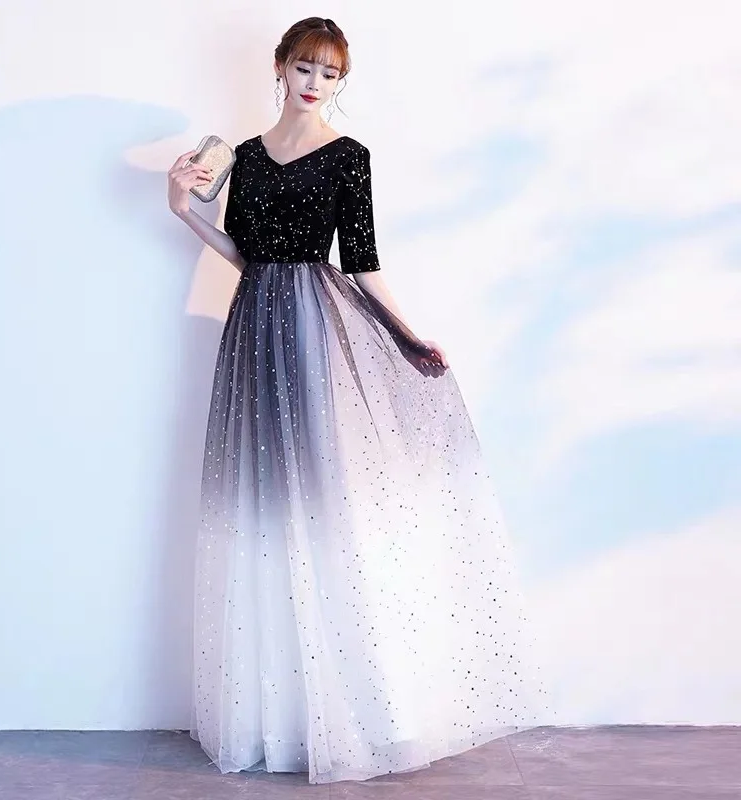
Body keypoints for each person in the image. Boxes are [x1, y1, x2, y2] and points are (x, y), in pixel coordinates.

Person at [167, 16, 550, 786]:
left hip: (315, 329)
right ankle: (283, 717)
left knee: (325, 502)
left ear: (339, 81)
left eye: (330, 73)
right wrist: (185, 211)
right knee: (264, 507)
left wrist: (406, 335)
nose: (315, 83)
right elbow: (246, 254)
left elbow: (363, 263)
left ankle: (363, 710)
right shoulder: (244, 157)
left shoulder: (349, 157)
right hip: (252, 329)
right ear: (280, 67)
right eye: (305, 66)